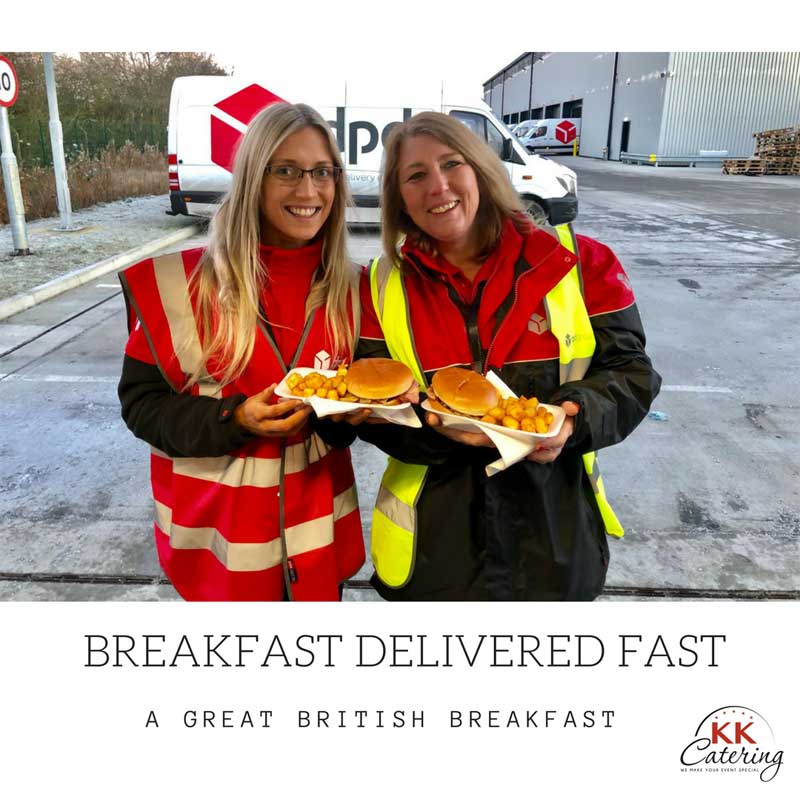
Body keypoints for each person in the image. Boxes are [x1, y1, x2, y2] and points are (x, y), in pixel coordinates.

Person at [355, 111, 661, 601]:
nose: (437, 186)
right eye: (415, 176)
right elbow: (368, 408)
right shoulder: (378, 286)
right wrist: (431, 427)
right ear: (400, 197)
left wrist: (571, 419)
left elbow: (632, 373)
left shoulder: (582, 264)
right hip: (435, 551)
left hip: (555, 541)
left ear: (481, 169)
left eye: (452, 164)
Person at [117, 103, 364, 601]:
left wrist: (346, 417)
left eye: (322, 172)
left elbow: (347, 418)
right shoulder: (181, 284)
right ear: (254, 177)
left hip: (318, 553)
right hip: (219, 555)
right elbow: (141, 405)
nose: (308, 190)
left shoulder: (354, 289)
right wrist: (234, 419)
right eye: (287, 171)